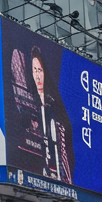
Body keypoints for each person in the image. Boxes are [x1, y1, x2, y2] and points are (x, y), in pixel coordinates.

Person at [29, 46, 72, 182]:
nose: (37, 75)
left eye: (40, 70)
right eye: (34, 70)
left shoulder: (53, 103)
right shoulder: (30, 101)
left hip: (58, 171)